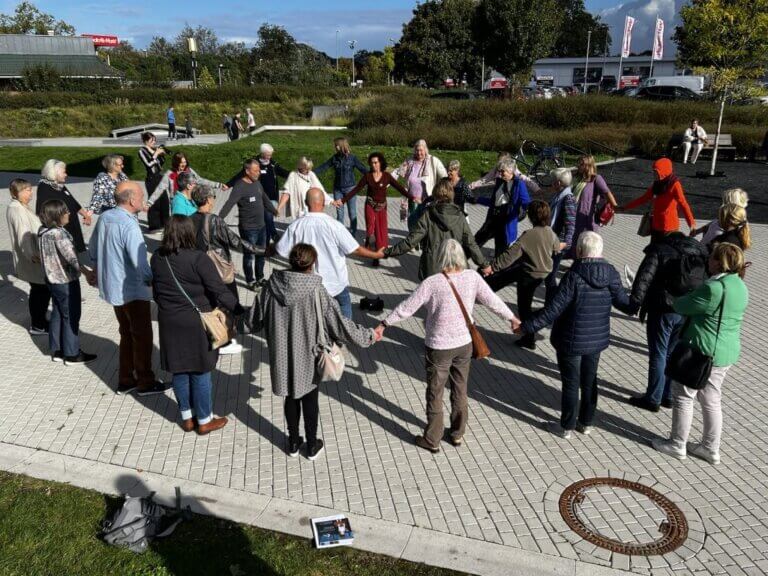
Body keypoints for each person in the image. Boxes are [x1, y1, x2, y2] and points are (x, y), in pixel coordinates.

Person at [375, 239, 520, 452]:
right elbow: (492, 301)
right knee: (460, 389)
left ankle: (432, 439)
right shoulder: (472, 277)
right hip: (464, 344)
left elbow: (408, 307)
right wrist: (512, 318)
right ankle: (457, 433)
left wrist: (384, 323)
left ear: (440, 257)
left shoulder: (432, 282)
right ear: (461, 256)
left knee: (435, 392)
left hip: (439, 347)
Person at [262, 243, 378, 460]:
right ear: (312, 264)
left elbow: (255, 318)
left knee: (290, 397)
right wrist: (368, 336)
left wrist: (229, 323)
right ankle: (312, 444)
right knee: (309, 399)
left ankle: (293, 442)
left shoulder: (271, 286)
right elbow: (341, 325)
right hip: (309, 356)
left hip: (281, 355)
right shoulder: (317, 291)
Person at [517, 232, 632, 438]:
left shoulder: (574, 276)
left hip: (570, 341)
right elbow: (625, 304)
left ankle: (566, 427)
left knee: (571, 382)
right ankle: (586, 422)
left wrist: (526, 326)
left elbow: (553, 310)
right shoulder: (612, 274)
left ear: (579, 251)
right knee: (590, 381)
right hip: (596, 340)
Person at [653, 243, 748, 464]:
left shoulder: (713, 289)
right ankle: (710, 448)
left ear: (720, 262)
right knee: (712, 398)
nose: (708, 261)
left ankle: (677, 444)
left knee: (684, 396)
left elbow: (682, 306)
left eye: (712, 258)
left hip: (701, 351)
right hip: (726, 352)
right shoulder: (740, 286)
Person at [151, 216, 239, 435]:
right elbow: (219, 291)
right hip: (196, 322)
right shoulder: (198, 258)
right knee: (200, 372)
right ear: (189, 233)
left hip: (169, 320)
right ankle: (204, 419)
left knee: (179, 370)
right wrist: (240, 310)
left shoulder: (157, 257)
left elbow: (157, 290)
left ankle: (187, 418)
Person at [89, 181, 165, 396]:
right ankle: (145, 381)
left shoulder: (105, 217)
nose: (142, 199)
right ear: (131, 200)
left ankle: (125, 379)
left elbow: (93, 248)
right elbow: (140, 262)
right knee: (141, 336)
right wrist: (153, 282)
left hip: (113, 289)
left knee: (126, 333)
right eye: (141, 196)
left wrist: (95, 270)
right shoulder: (129, 225)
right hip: (132, 291)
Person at [626, 229, 709, 412]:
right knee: (672, 353)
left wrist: (634, 303)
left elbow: (644, 277)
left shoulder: (660, 249)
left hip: (662, 309)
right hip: (686, 310)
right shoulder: (698, 251)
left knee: (659, 353)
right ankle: (668, 396)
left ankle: (653, 399)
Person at [275, 188, 384, 319]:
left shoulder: (295, 226)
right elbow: (355, 249)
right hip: (335, 284)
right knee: (344, 310)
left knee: (312, 316)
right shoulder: (334, 225)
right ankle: (343, 336)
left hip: (307, 286)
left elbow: (281, 250)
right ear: (324, 203)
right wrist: (376, 255)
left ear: (306, 203)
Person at [192, 185, 264, 354]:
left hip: (199, 268)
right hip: (218, 271)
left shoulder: (189, 219)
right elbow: (236, 242)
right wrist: (262, 250)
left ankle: (211, 334)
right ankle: (223, 340)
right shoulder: (214, 220)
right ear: (209, 199)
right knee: (228, 302)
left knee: (209, 303)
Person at [484, 200, 563, 350]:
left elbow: (509, 255)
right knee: (511, 274)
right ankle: (489, 287)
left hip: (529, 275)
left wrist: (493, 267)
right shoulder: (550, 232)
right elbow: (556, 247)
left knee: (524, 307)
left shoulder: (528, 235)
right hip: (543, 273)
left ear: (531, 216)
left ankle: (529, 338)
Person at [384, 179, 490, 280]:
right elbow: (471, 243)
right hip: (455, 266)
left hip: (432, 268)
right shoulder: (460, 216)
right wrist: (484, 265)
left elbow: (411, 241)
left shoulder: (428, 215)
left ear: (435, 194)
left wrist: (387, 252)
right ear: (451, 194)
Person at [37, 199, 97, 364]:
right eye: (66, 212)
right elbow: (71, 257)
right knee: (71, 314)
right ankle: (72, 353)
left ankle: (57, 350)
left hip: (51, 279)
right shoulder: (59, 233)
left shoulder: (43, 231)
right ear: (58, 215)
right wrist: (86, 272)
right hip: (64, 280)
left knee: (58, 312)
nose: (69, 213)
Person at [333, 152, 411, 263]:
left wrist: (412, 197)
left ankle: (379, 252)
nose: (373, 165)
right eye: (372, 163)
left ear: (380, 163)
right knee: (371, 230)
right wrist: (343, 200)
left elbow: (400, 188)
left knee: (381, 231)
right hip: (370, 205)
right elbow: (356, 189)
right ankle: (374, 253)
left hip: (382, 207)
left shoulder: (386, 176)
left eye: (376, 162)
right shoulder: (368, 176)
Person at [219, 158, 277, 289]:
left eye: (258, 170)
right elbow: (229, 204)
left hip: (262, 226)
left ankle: (260, 277)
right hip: (248, 229)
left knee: (261, 253)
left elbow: (265, 198)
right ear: (247, 171)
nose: (258, 173)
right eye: (255, 171)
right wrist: (219, 219)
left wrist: (274, 210)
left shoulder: (257, 183)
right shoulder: (239, 186)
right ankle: (250, 281)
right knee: (249, 256)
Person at [6, 178, 50, 335]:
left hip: (34, 256)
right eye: (27, 190)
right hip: (32, 259)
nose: (31, 192)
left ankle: (41, 321)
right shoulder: (17, 209)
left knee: (40, 290)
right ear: (17, 192)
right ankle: (38, 325)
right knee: (41, 291)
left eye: (31, 189)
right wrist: (32, 255)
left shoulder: (21, 206)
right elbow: (23, 236)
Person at [621, 158, 696, 242]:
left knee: (664, 253)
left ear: (664, 172)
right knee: (653, 252)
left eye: (656, 172)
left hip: (669, 227)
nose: (654, 175)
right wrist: (625, 208)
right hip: (656, 225)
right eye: (654, 172)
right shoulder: (657, 184)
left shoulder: (675, 185)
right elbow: (643, 199)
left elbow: (683, 204)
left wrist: (691, 223)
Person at [226, 144, 290, 242]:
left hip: (272, 197)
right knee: (266, 219)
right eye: (268, 154)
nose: (270, 156)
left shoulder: (273, 164)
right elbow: (240, 175)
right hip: (257, 196)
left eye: (271, 154)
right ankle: (272, 237)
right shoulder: (254, 164)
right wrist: (228, 184)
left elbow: (284, 173)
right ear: (262, 153)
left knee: (268, 219)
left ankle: (269, 241)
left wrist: (295, 175)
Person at [148, 152, 226, 230]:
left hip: (190, 201)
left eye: (185, 162)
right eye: (181, 162)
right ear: (176, 163)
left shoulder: (189, 171)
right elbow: (160, 189)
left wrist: (218, 185)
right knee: (179, 224)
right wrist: (150, 202)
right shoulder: (169, 174)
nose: (183, 164)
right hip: (177, 202)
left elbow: (200, 180)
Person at [472, 158, 531, 257]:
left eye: (502, 171)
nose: (500, 173)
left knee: (501, 251)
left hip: (505, 222)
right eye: (499, 171)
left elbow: (526, 202)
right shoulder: (499, 181)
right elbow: (494, 201)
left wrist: (519, 212)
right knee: (475, 242)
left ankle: (497, 269)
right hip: (493, 218)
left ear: (511, 171)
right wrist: (478, 199)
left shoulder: (519, 184)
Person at [36, 159, 92, 261]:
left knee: (73, 252)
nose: (66, 174)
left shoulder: (58, 184)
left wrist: (85, 215)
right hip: (60, 228)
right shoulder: (44, 188)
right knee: (65, 254)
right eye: (64, 172)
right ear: (54, 173)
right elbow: (43, 212)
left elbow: (72, 201)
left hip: (71, 223)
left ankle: (75, 264)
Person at [316, 137, 368, 236]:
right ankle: (340, 234)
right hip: (338, 190)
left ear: (341, 146)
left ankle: (352, 234)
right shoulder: (335, 158)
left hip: (350, 189)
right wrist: (311, 173)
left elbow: (363, 169)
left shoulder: (352, 158)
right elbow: (324, 166)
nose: (335, 147)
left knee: (352, 213)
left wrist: (374, 176)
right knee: (340, 214)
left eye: (336, 145)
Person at [391, 139, 447, 230]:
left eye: (421, 150)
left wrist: (443, 191)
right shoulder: (410, 161)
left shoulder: (433, 161)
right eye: (417, 150)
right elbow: (397, 172)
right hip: (412, 200)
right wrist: (385, 182)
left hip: (427, 201)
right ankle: (412, 242)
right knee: (412, 224)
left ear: (425, 150)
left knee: (425, 226)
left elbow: (444, 176)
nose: (419, 152)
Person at [569, 155, 617, 257]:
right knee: (576, 242)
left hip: (588, 217)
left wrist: (615, 206)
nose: (578, 166)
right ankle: (576, 264)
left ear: (588, 165)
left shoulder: (595, 179)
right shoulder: (576, 178)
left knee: (590, 244)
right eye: (578, 163)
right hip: (575, 216)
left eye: (581, 164)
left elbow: (607, 192)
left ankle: (590, 263)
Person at [544, 167, 576, 304]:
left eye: (553, 181)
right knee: (548, 276)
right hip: (553, 240)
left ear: (559, 183)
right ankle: (551, 305)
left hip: (560, 243)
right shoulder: (559, 195)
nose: (551, 183)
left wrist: (565, 243)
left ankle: (552, 306)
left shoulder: (567, 198)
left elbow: (571, 223)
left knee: (550, 276)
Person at [468, 152, 541, 196]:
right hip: (499, 193)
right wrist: (470, 186)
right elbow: (484, 179)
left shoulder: (512, 169)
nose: (499, 164)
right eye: (498, 161)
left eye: (501, 162)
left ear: (507, 162)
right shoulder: (496, 168)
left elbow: (524, 178)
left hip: (509, 194)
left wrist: (536, 189)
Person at [138, 133, 166, 230]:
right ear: (146, 141)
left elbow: (160, 164)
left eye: (154, 140)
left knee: (164, 200)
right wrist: (156, 154)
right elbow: (149, 164)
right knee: (154, 202)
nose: (154, 142)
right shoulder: (142, 151)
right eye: (152, 141)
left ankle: (165, 224)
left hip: (160, 177)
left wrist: (162, 155)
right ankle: (154, 226)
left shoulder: (154, 150)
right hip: (151, 178)